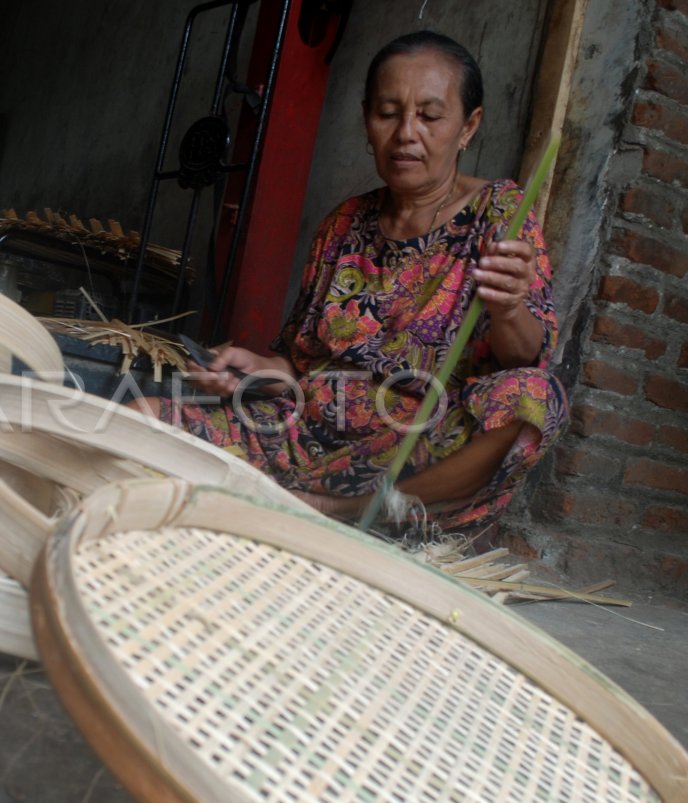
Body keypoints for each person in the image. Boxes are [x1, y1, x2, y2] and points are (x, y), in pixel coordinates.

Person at [131, 30, 568, 536]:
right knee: (143, 417)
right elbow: (299, 365)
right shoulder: (343, 223)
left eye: (429, 116)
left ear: (468, 126)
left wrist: (510, 306)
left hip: (411, 455)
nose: (407, 132)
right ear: (367, 119)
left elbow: (525, 361)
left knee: (533, 395)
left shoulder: (502, 214)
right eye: (388, 113)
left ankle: (342, 514)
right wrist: (253, 370)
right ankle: (279, 504)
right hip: (308, 432)